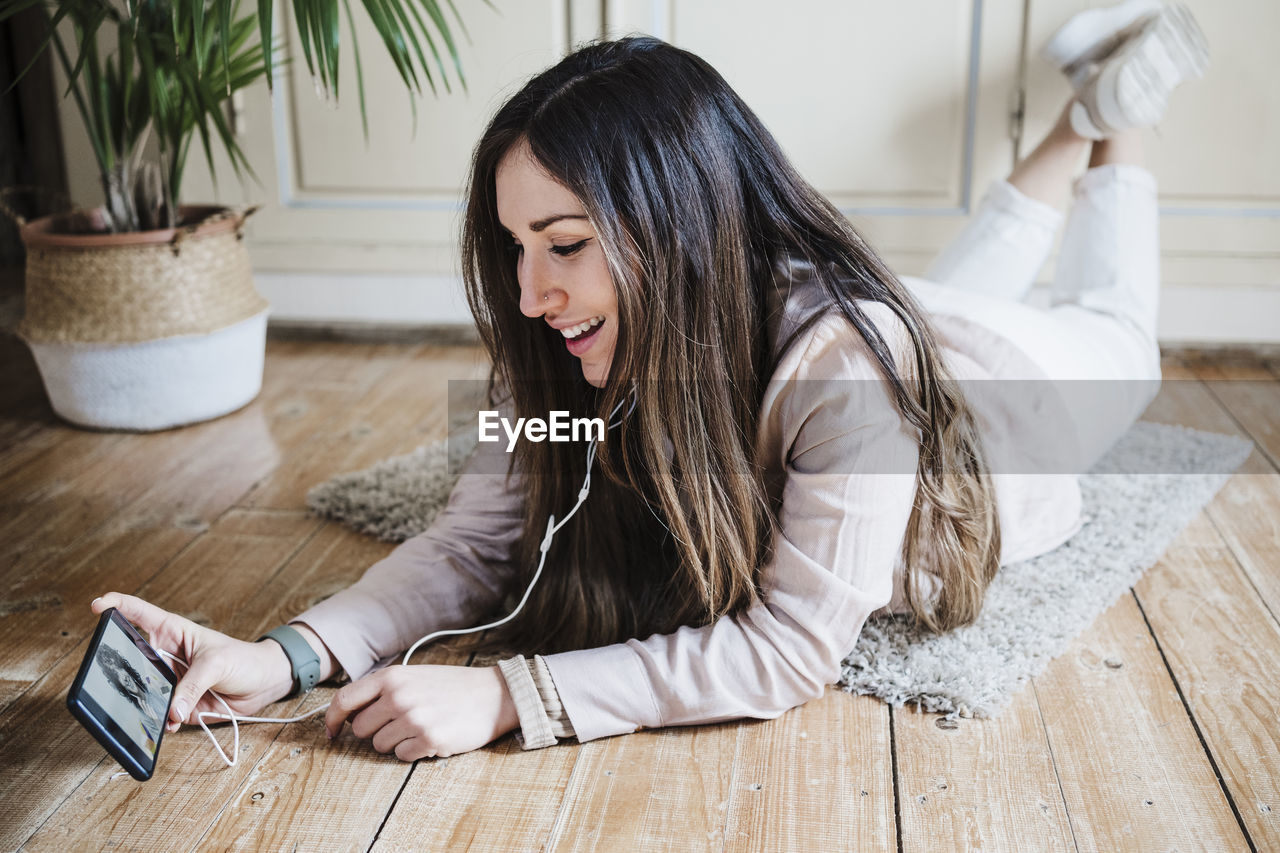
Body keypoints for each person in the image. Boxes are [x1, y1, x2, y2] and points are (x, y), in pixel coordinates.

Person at [91, 1, 1208, 761]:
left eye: (565, 245)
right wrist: (285, 654)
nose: (528, 295)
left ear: (676, 228)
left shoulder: (845, 368)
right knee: (939, 292)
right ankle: (1080, 118)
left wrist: (505, 696)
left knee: (1115, 337)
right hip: (891, 323)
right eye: (515, 246)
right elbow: (477, 539)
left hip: (997, 405)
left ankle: (1128, 120)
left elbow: (786, 651)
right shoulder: (568, 328)